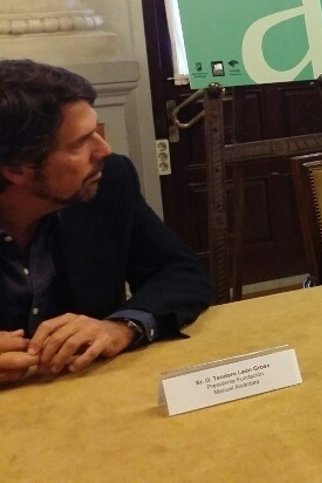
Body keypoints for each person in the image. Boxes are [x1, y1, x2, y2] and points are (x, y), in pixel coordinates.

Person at [0, 60, 212, 385]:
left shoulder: (109, 182)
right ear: (16, 168)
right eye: (80, 143)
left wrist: (122, 327)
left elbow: (179, 272)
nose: (104, 150)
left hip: (95, 393)